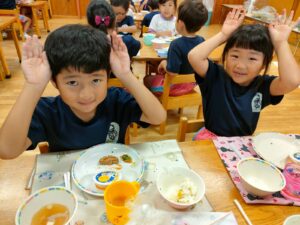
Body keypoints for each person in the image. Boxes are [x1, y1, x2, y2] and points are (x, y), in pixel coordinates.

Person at [0, 24, 166, 159]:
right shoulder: (47, 112)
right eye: (72, 82)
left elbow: (158, 117)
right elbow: (7, 150)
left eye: (96, 80)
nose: (86, 94)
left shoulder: (116, 100)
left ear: (107, 77)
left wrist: (125, 75)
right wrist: (33, 86)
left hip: (112, 179)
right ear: (54, 81)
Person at [188, 8, 300, 138]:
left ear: (264, 64)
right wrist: (223, 35)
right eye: (235, 56)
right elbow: (194, 56)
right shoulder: (216, 75)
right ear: (225, 55)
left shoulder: (263, 85)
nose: (240, 66)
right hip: (210, 140)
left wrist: (281, 43)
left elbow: (292, 81)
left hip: (243, 144)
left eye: (252, 58)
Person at [148, 0, 207, 96]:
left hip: (175, 87)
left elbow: (172, 72)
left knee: (147, 79)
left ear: (180, 23)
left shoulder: (176, 44)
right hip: (192, 85)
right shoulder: (202, 41)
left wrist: (164, 63)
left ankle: (157, 106)